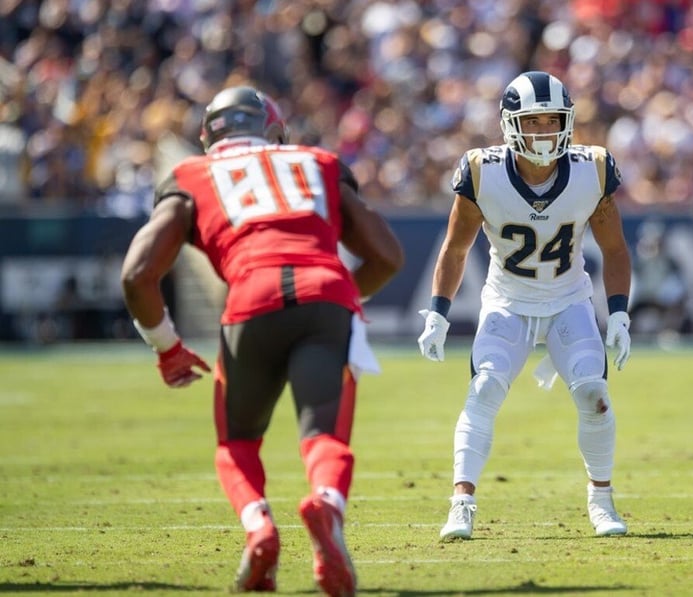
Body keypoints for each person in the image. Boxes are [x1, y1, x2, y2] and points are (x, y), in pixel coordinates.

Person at [120, 86, 404, 596]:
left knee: (236, 442)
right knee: (325, 435)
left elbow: (137, 272)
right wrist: (337, 297)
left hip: (249, 300)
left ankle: (259, 528)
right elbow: (386, 255)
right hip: (325, 292)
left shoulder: (192, 175)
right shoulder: (316, 161)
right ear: (274, 131)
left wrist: (166, 346)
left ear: (210, 136)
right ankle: (325, 504)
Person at [416, 71, 633, 540]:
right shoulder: (481, 171)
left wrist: (617, 311)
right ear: (511, 125)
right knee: (485, 389)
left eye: (552, 121)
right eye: (532, 122)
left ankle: (601, 500)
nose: (544, 132)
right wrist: (437, 312)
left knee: (594, 394)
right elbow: (454, 249)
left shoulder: (591, 168)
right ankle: (461, 504)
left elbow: (615, 249)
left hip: (568, 298)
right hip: (508, 300)